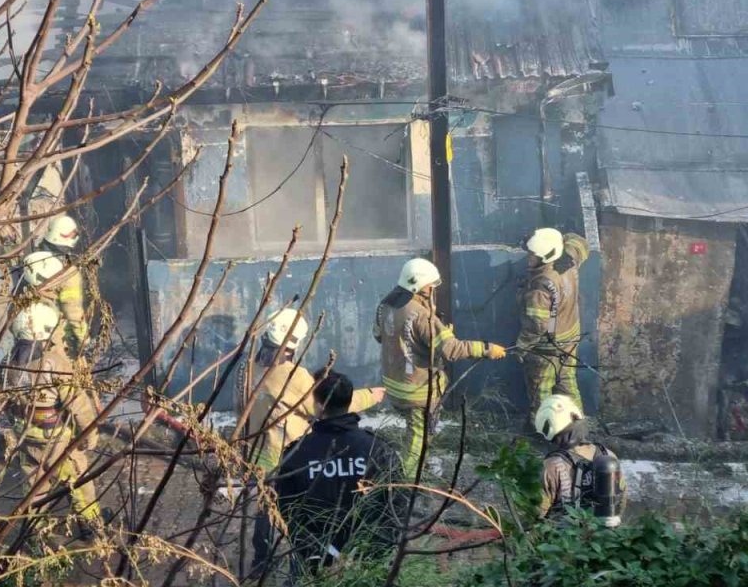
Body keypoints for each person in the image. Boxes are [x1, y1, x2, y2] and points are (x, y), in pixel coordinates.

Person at [244, 308, 386, 578]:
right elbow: (325, 404)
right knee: (297, 512)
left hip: (258, 451)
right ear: (295, 342)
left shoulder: (252, 367)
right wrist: (370, 395)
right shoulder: (291, 375)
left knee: (263, 510)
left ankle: (260, 562)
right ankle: (305, 564)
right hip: (289, 455)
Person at [375, 258, 506, 472]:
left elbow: (379, 335)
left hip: (394, 383)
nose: (433, 289)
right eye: (431, 285)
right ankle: (408, 483)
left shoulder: (386, 304)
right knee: (418, 437)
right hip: (418, 390)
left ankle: (418, 467)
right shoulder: (422, 316)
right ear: (420, 286)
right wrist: (486, 349)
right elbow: (452, 349)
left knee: (421, 431)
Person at [273, 372, 403, 578]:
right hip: (365, 563)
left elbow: (285, 508)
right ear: (350, 401)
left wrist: (314, 550)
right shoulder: (378, 450)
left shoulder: (297, 454)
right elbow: (396, 506)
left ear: (317, 405)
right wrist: (375, 552)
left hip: (311, 561)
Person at [4, 301, 103, 538]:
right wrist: (89, 435)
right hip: (56, 438)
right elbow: (77, 403)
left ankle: (35, 535)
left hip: (27, 436)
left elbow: (6, 402)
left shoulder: (8, 362)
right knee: (78, 482)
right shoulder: (53, 361)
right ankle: (92, 528)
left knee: (34, 487)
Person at [516, 229, 589, 424]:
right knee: (567, 383)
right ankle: (577, 426)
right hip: (570, 338)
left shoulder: (540, 286)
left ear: (546, 256)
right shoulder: (570, 260)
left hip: (546, 349)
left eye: (533, 255)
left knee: (540, 390)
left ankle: (544, 429)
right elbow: (580, 242)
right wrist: (561, 241)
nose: (529, 257)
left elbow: (536, 325)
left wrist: (521, 348)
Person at [534, 394, 625, 524]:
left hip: (565, 541)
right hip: (606, 539)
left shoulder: (551, 467)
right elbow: (621, 500)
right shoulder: (609, 456)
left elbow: (537, 513)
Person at [21, 250, 89, 358]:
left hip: (64, 327)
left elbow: (73, 312)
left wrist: (83, 340)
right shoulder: (46, 266)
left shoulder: (69, 281)